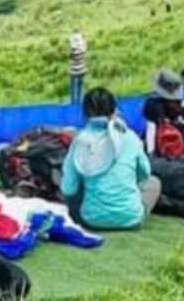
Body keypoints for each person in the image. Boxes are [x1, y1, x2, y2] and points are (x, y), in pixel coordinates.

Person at [60, 87, 161, 230]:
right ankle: (129, 212)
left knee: (75, 184)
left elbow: (68, 189)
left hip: (91, 219)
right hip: (131, 218)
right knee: (153, 183)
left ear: (85, 113)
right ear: (114, 110)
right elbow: (144, 173)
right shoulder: (130, 137)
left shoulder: (79, 141)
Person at [143, 69, 184, 161]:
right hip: (181, 153)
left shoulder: (152, 104)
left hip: (159, 153)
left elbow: (151, 129)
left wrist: (150, 155)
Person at [68, 29, 89, 106]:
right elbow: (85, 52)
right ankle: (80, 101)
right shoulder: (83, 48)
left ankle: (73, 102)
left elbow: (70, 56)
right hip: (82, 69)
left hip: (73, 70)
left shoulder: (72, 49)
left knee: (73, 87)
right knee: (80, 85)